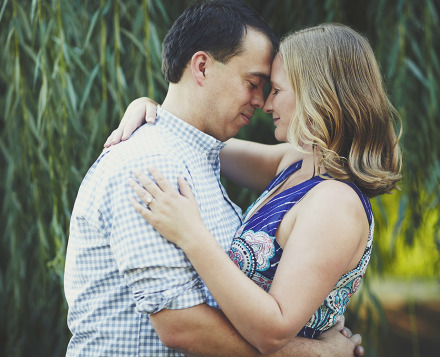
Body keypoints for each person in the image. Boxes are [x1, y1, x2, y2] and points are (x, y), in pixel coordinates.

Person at [65, 1, 364, 356]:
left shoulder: (205, 156)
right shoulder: (149, 165)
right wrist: (317, 354)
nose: (262, 103)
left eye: (272, 89)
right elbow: (183, 326)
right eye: (254, 83)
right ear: (202, 67)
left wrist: (154, 109)